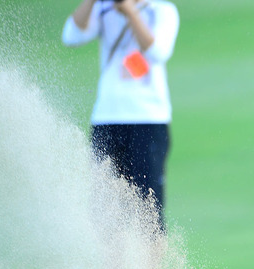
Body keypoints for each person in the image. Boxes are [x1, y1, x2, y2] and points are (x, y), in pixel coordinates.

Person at [62, 0, 180, 225]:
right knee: (104, 209)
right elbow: (71, 36)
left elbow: (158, 51)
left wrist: (129, 10)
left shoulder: (161, 10)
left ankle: (150, 251)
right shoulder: (103, 9)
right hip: (106, 118)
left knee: (149, 211)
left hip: (148, 119)